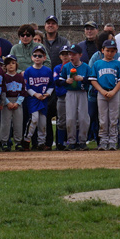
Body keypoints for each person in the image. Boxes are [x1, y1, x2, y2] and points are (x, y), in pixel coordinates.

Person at [89, 40, 120, 151]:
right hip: (102, 93)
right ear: (102, 50)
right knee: (103, 119)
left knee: (113, 118)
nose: (109, 53)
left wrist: (114, 91)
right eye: (107, 50)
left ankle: (113, 141)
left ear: (115, 52)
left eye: (112, 51)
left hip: (114, 93)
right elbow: (93, 80)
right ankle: (103, 141)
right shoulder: (97, 64)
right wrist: (101, 91)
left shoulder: (118, 64)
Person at [42, 15, 69, 150]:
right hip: (44, 82)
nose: (50, 25)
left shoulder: (63, 41)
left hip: (59, 81)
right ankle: (47, 142)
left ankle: (61, 142)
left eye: (53, 23)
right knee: (46, 113)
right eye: (48, 23)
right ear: (45, 26)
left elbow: (68, 59)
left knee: (61, 114)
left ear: (57, 26)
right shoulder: (41, 41)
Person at [60, 44, 92, 151]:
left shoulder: (86, 67)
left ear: (80, 55)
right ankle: (72, 141)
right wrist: (66, 81)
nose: (71, 56)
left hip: (82, 93)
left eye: (74, 54)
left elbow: (92, 79)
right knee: (70, 118)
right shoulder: (66, 66)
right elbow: (59, 81)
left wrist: (82, 79)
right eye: (70, 54)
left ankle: (82, 141)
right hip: (70, 93)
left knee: (83, 118)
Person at [22, 45, 54, 151]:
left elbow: (51, 85)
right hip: (33, 99)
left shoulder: (48, 71)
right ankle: (26, 140)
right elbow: (26, 87)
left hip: (43, 99)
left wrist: (47, 94)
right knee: (34, 119)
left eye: (40, 56)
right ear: (32, 57)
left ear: (44, 58)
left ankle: (41, 142)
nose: (37, 58)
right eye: (35, 55)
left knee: (43, 122)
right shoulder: (28, 71)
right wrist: (35, 94)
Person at [0, 54, 25, 151]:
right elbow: (2, 91)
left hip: (17, 101)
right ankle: (4, 142)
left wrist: (18, 103)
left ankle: (18, 142)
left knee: (18, 123)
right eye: (8, 63)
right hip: (6, 101)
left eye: (13, 63)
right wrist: (7, 102)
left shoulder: (20, 77)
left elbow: (23, 91)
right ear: (5, 66)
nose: (11, 65)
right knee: (5, 123)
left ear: (16, 65)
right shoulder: (4, 77)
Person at [52, 46, 70, 151]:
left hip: (72, 95)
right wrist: (66, 82)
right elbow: (56, 81)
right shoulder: (58, 68)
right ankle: (60, 142)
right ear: (60, 56)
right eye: (63, 54)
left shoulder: (74, 66)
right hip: (61, 96)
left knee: (73, 120)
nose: (65, 56)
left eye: (67, 54)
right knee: (61, 120)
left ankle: (71, 141)